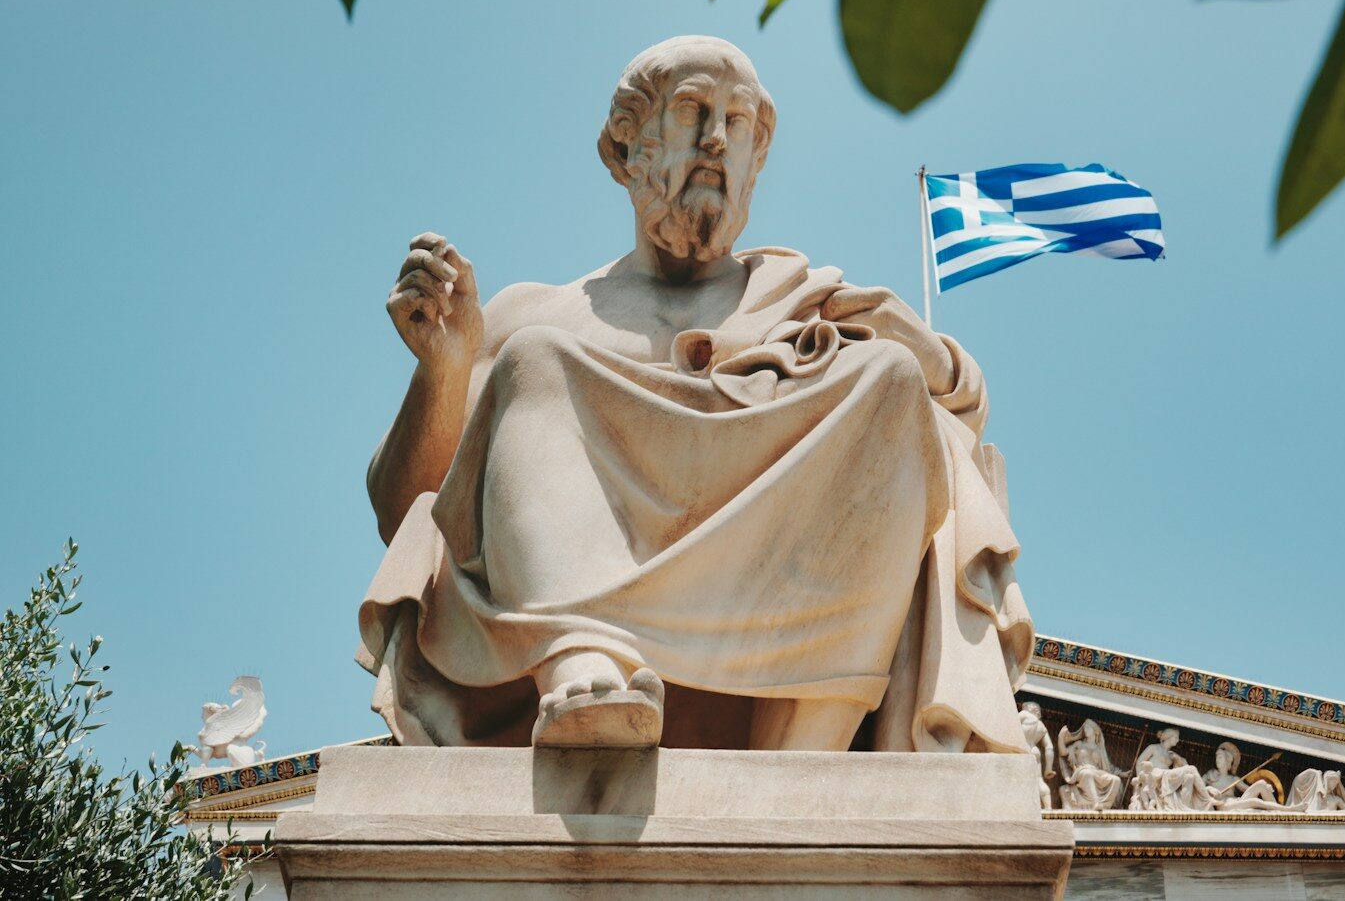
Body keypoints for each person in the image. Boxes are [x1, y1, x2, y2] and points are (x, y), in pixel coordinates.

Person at [357, 37, 1034, 754]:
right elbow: (408, 510)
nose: (716, 138)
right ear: (626, 146)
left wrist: (924, 350)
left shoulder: (802, 297)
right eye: (691, 110)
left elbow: (958, 409)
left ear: (754, 158)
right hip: (564, 643)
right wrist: (443, 370)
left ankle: (803, 755)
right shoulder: (534, 317)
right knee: (535, 358)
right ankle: (586, 667)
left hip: (767, 589)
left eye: (736, 122)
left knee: (890, 377)